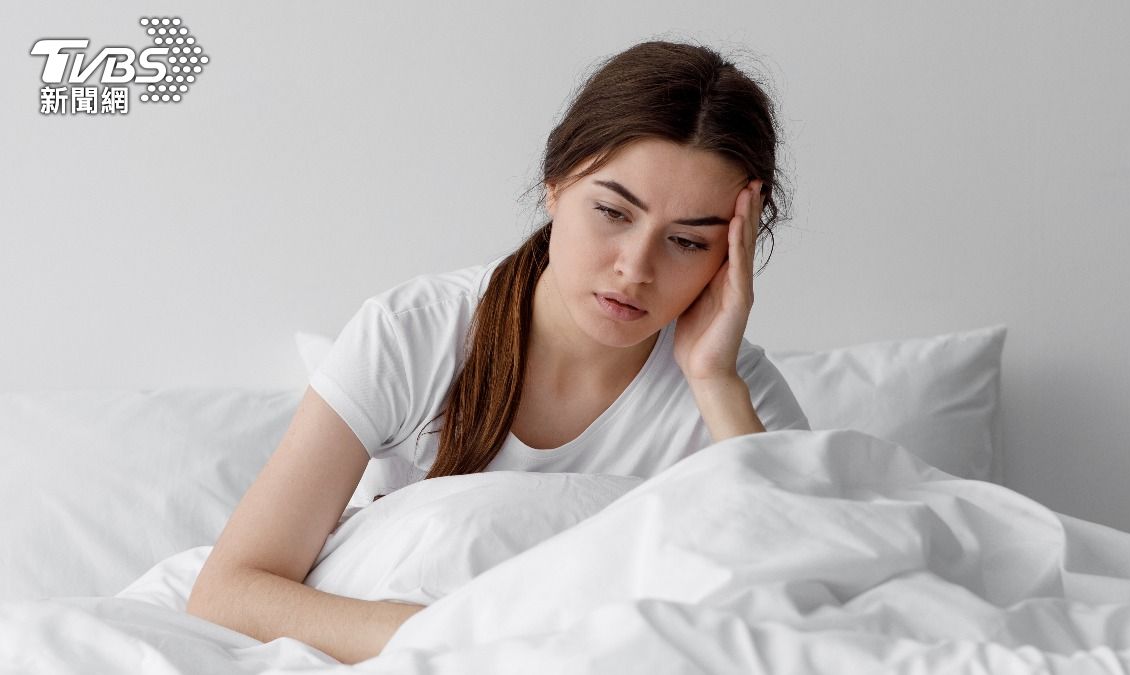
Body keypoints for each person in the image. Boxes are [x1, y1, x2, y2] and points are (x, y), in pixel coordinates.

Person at [186, 39, 809, 665]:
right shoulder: (413, 335)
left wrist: (714, 383)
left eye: (685, 242)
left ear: (732, 254)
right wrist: (470, 641)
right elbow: (229, 589)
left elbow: (803, 588)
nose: (635, 268)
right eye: (613, 212)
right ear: (556, 184)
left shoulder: (733, 390)